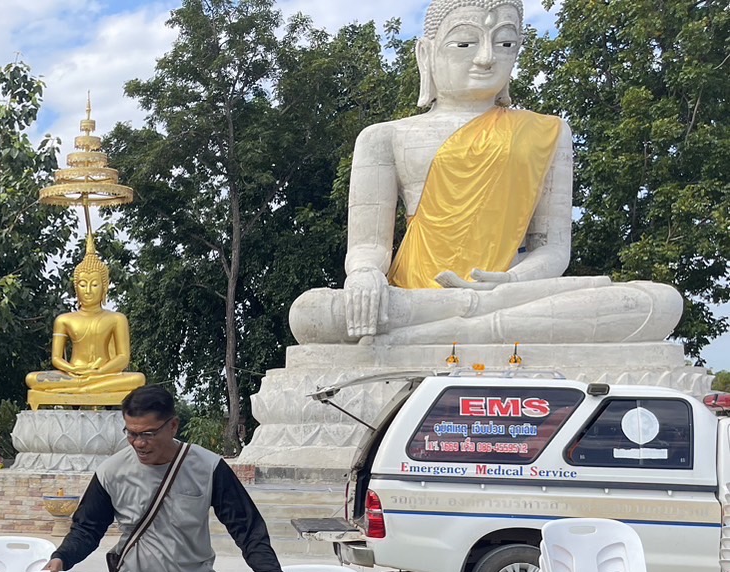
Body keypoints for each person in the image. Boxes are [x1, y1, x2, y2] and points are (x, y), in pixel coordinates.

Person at [288, 0, 680, 346]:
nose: (487, 58)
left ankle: (442, 330)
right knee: (310, 313)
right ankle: (460, 323)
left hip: (508, 296)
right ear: (426, 54)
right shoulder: (384, 137)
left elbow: (552, 248)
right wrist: (364, 276)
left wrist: (509, 283)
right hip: (414, 295)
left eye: (505, 44)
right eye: (465, 44)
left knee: (659, 302)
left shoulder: (548, 132)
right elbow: (368, 246)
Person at [46, 385, 297, 572]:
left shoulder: (208, 467)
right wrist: (62, 557)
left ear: (173, 425)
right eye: (131, 433)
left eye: (148, 434)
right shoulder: (112, 472)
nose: (139, 443)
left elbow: (246, 528)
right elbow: (87, 528)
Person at [26, 236, 145, 408]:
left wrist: (98, 371)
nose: (88, 290)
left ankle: (83, 388)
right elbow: (56, 358)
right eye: (83, 285)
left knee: (138, 379)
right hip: (73, 374)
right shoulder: (64, 319)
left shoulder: (116, 319)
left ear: (105, 287)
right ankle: (85, 388)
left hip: (104, 374)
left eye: (94, 285)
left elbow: (123, 358)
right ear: (76, 288)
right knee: (32, 378)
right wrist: (74, 370)